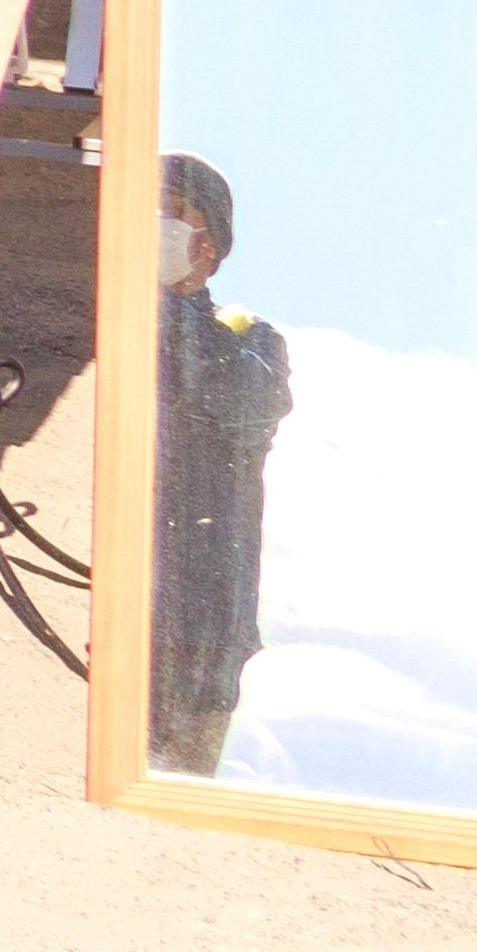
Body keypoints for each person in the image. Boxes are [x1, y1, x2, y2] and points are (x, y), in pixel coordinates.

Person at [147, 153, 290, 774]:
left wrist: (167, 312)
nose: (159, 225)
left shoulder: (248, 335)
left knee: (181, 769)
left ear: (210, 247)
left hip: (209, 590)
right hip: (142, 569)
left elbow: (235, 398)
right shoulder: (126, 318)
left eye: (176, 214)